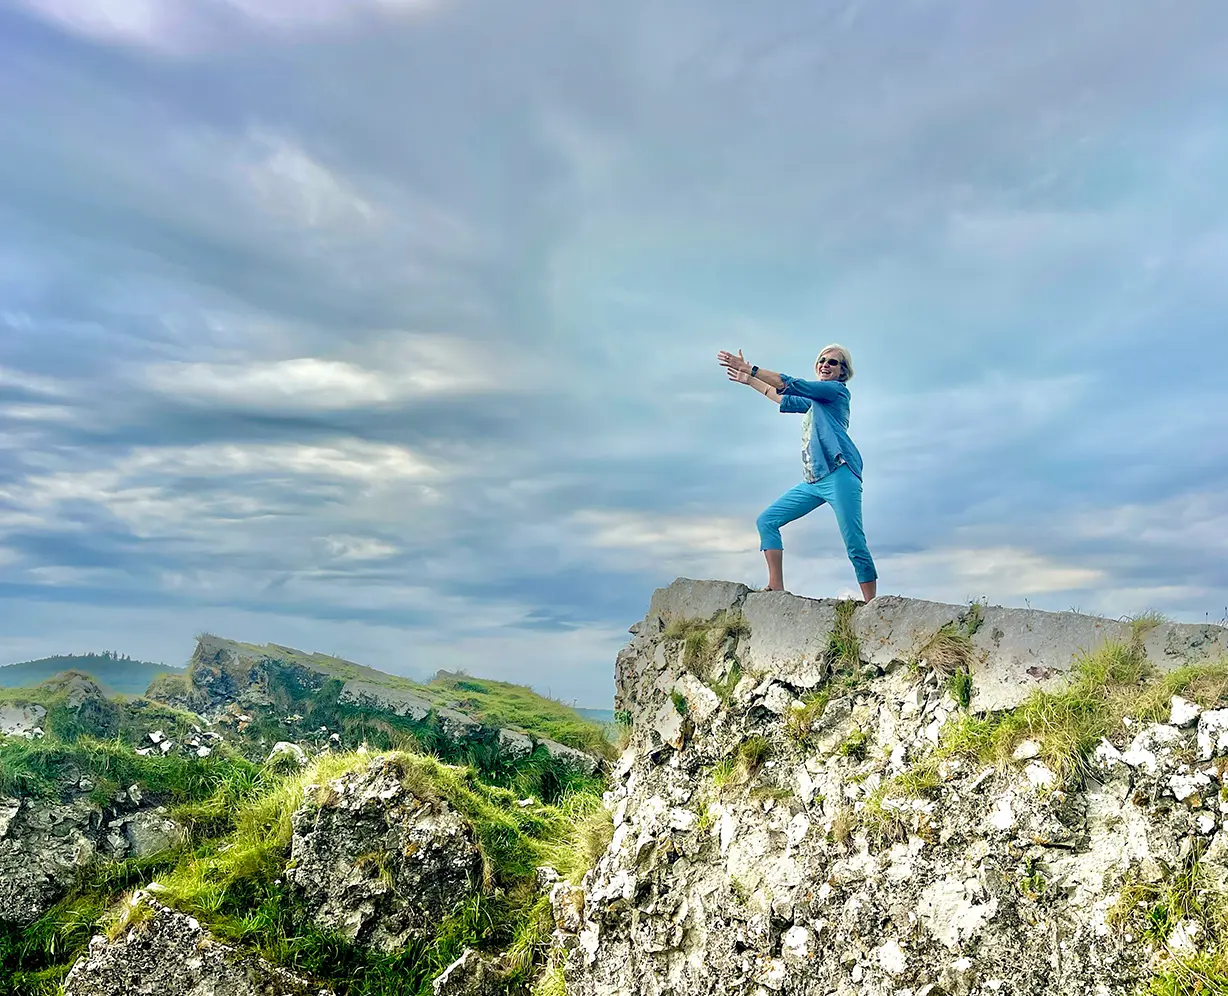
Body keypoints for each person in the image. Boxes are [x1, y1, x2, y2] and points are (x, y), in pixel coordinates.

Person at [716, 345, 877, 601]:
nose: (825, 364)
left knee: (854, 542)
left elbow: (789, 384)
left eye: (833, 362)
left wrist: (750, 368)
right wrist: (750, 380)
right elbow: (781, 395)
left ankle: (872, 605)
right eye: (822, 360)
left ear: (842, 372)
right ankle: (775, 587)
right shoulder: (815, 402)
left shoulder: (836, 392)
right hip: (814, 480)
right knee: (767, 521)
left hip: (840, 473)